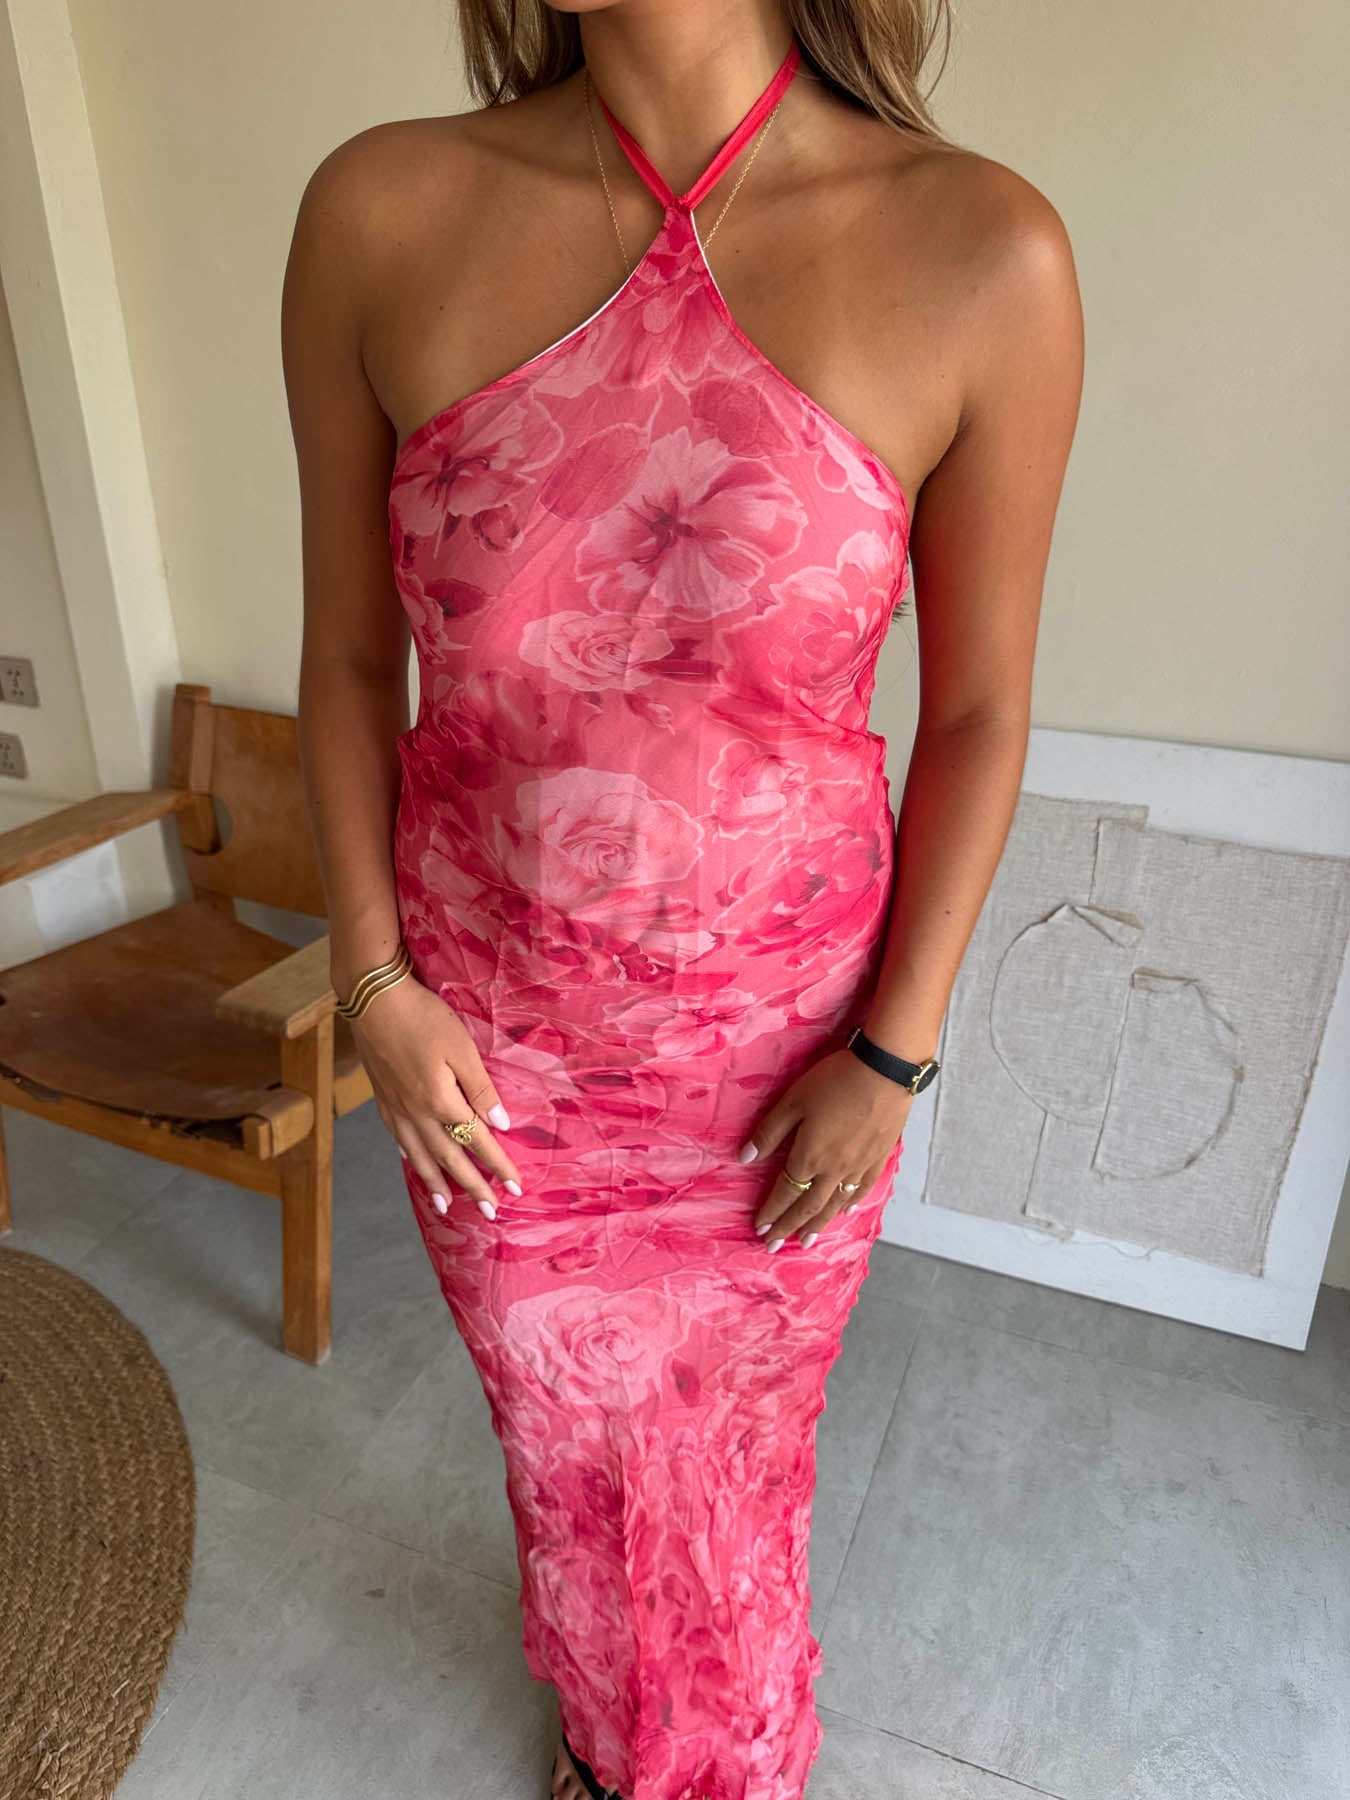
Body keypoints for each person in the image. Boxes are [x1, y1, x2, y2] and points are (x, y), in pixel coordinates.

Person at [281, 1, 1082, 1794]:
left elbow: (974, 714)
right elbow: (342, 661)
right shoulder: (381, 211)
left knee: (736, 1451)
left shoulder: (980, 248)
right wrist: (372, 985)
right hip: (487, 1046)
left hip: (784, 1054)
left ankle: (719, 1759)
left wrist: (891, 1059)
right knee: (559, 1439)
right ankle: (616, 1732)